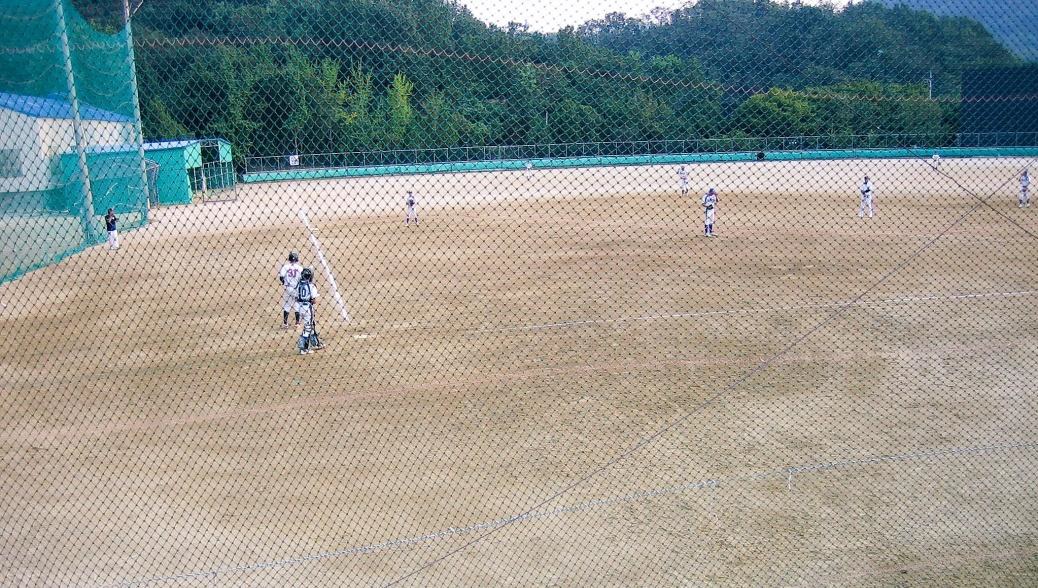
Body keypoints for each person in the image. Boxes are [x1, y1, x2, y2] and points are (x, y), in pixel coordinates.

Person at [296, 268, 322, 355]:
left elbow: (296, 297)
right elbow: (314, 300)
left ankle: (313, 343)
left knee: (309, 326)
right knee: (308, 327)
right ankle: (303, 348)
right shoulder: (311, 286)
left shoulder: (299, 285)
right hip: (308, 308)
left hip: (300, 308)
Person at [278, 252, 303, 330]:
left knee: (287, 306)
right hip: (296, 289)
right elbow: (303, 278)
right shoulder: (299, 268)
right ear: (297, 259)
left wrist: (284, 283)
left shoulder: (285, 267)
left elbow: (281, 277)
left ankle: (285, 323)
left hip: (288, 289)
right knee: (297, 305)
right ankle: (297, 323)